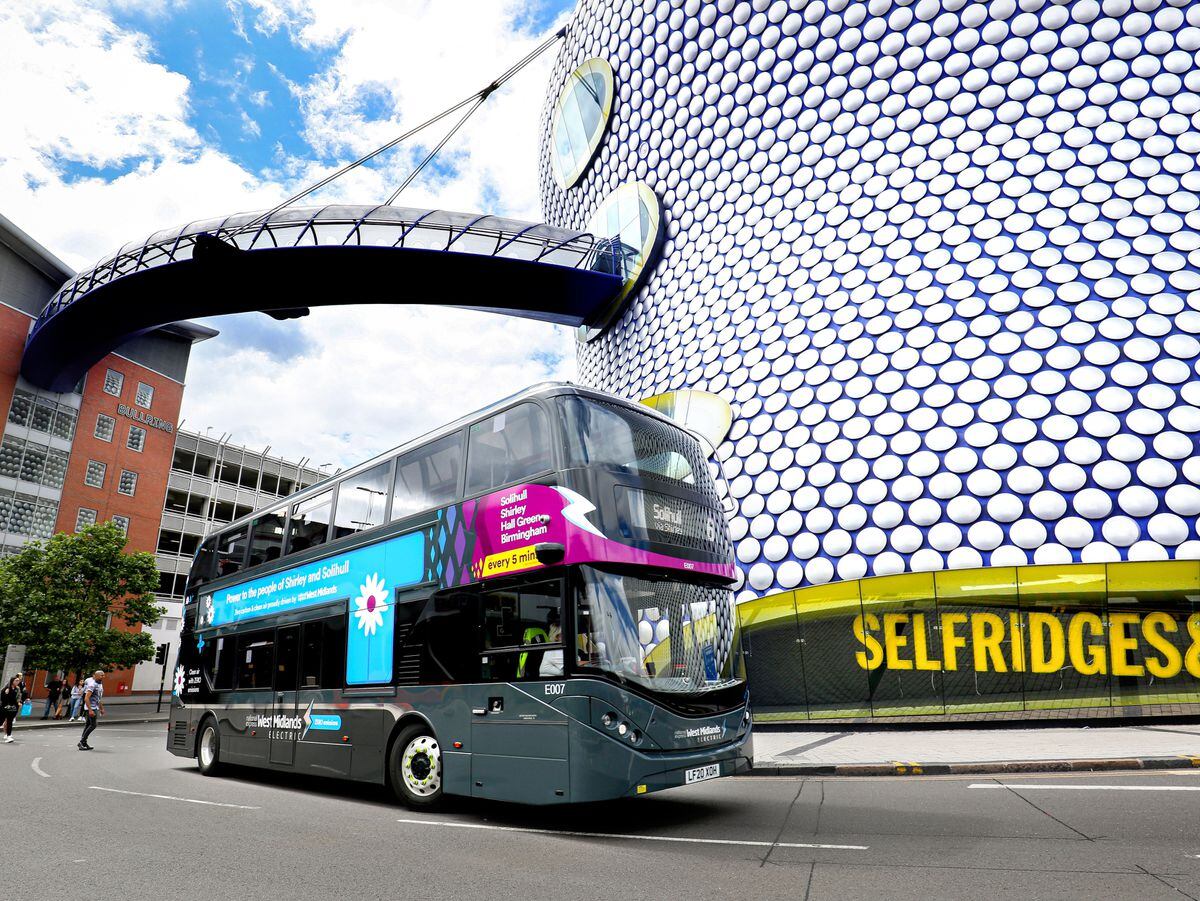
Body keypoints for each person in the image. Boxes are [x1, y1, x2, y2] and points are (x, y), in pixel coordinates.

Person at [78, 670, 105, 751]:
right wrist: (90, 710)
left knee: (88, 725)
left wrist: (101, 708)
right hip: (91, 708)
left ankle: (84, 743)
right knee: (93, 725)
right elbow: (86, 698)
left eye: (103, 675)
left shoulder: (100, 685)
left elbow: (98, 698)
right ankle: (82, 742)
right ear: (95, 676)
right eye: (101, 675)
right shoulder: (92, 685)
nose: (103, 677)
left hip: (95, 707)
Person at [1, 674, 21, 742]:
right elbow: (3, 699)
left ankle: (9, 736)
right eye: (16, 680)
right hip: (4, 708)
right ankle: (8, 736)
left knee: (10, 722)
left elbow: (15, 699)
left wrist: (17, 705)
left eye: (18, 681)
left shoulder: (16, 689)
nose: (18, 682)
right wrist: (6, 694)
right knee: (1, 721)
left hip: (12, 708)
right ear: (12, 681)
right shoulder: (6, 689)